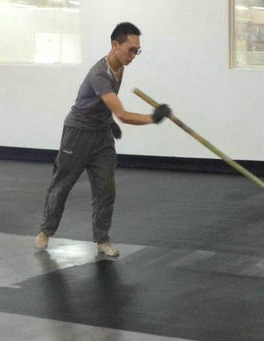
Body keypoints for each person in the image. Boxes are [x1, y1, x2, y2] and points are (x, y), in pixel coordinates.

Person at [33, 22, 170, 257]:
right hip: (77, 134)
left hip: (101, 135)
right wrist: (153, 118)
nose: (133, 56)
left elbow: (104, 105)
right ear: (115, 44)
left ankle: (102, 240)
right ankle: (45, 231)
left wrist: (109, 123)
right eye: (130, 50)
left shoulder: (121, 67)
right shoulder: (99, 74)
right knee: (62, 185)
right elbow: (123, 114)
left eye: (137, 51)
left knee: (106, 189)